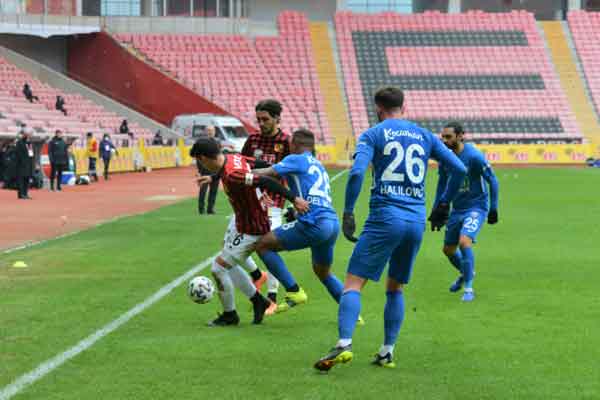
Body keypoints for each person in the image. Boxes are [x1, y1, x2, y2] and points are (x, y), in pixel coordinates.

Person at [313, 87, 467, 372]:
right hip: (415, 221)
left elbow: (357, 172)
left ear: (378, 109)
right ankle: (387, 352)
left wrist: (348, 211)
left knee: (353, 284)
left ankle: (344, 343)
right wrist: (443, 204)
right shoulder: (424, 135)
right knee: (395, 287)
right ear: (403, 107)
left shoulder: (373, 134)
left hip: (385, 217)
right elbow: (459, 169)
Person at [189, 137, 308, 326]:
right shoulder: (233, 158)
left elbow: (264, 180)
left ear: (203, 158)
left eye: (199, 161)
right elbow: (261, 164)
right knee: (226, 260)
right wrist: (213, 178)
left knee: (218, 268)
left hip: (253, 228)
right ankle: (258, 300)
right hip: (243, 222)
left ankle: (231, 315)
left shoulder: (233, 174)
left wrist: (294, 199)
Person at [253, 129, 355, 317]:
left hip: (315, 223)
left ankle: (294, 291)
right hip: (331, 223)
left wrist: (237, 172)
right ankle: (353, 315)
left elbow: (266, 173)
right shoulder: (318, 164)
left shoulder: (296, 159)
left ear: (295, 144)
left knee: (263, 245)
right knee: (323, 273)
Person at [435, 122, 499, 302]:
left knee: (464, 242)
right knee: (448, 250)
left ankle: (469, 288)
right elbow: (442, 184)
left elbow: (493, 180)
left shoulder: (474, 156)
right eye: (443, 137)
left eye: (448, 137)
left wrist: (493, 208)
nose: (444, 140)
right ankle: (466, 272)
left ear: (460, 135)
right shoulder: (445, 158)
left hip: (476, 207)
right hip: (457, 209)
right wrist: (437, 208)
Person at [239, 99, 292, 305]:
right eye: (258, 119)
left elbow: (294, 172)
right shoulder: (252, 140)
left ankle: (272, 297)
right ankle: (256, 274)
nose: (261, 123)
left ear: (277, 118)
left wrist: (294, 201)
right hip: (249, 203)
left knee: (268, 247)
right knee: (232, 245)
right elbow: (240, 164)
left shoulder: (286, 142)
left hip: (274, 204)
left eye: (265, 119)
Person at [197, 126, 220, 215]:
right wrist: (200, 171)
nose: (210, 132)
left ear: (214, 132)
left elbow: (219, 156)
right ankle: (201, 209)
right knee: (203, 190)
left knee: (213, 191)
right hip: (205, 171)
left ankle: (210, 209)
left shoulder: (217, 142)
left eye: (212, 130)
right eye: (209, 130)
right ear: (206, 132)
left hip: (215, 171)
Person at [15, 129, 35, 199]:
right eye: (26, 134)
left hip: (28, 164)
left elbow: (31, 153)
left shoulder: (29, 143)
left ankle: (25, 193)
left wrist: (32, 162)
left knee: (27, 179)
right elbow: (18, 153)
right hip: (21, 164)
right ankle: (21, 194)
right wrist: (22, 162)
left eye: (28, 134)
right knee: (21, 180)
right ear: (23, 135)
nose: (28, 135)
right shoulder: (19, 142)